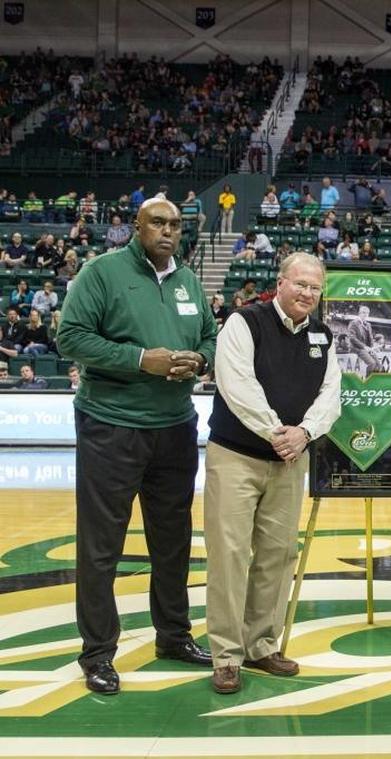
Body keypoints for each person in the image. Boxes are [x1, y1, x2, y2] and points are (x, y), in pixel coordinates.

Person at [56, 198, 217, 694]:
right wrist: (140, 358)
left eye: (175, 224)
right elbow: (70, 338)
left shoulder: (189, 281)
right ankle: (98, 654)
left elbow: (211, 337)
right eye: (158, 223)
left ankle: (173, 635)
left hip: (175, 427)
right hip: (112, 424)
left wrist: (200, 360)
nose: (168, 231)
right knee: (101, 546)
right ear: (137, 226)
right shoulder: (102, 273)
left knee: (173, 542)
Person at [204, 252, 342, 694]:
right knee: (229, 556)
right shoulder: (245, 322)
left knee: (278, 555)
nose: (306, 293)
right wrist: (275, 431)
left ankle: (262, 644)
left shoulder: (323, 335)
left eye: (314, 287)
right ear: (280, 283)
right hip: (236, 457)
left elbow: (331, 396)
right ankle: (226, 656)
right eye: (299, 284)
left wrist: (303, 433)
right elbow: (236, 382)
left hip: (289, 460)